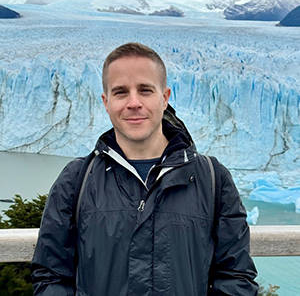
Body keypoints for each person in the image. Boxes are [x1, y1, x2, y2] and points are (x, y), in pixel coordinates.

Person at [31, 42, 258, 295]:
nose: (134, 102)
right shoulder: (76, 180)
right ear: (106, 102)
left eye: (145, 90)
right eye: (120, 92)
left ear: (164, 97)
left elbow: (236, 277)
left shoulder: (212, 179)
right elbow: (51, 276)